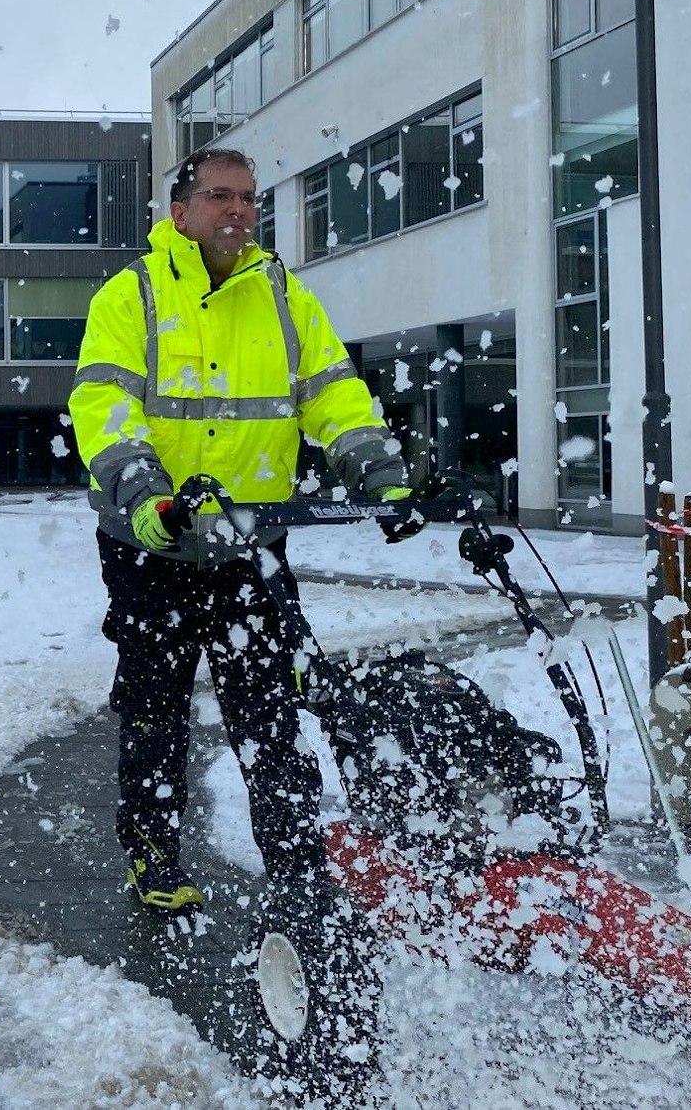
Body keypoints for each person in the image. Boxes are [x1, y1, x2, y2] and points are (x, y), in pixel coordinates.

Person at [68, 147, 417, 912]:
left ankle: (296, 869)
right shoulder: (133, 296)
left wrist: (378, 469)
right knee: (156, 710)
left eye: (249, 199)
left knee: (269, 711)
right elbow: (105, 408)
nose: (238, 212)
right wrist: (145, 494)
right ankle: (154, 856)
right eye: (221, 196)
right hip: (150, 543)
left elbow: (333, 392)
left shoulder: (282, 295)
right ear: (179, 211)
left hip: (252, 546)